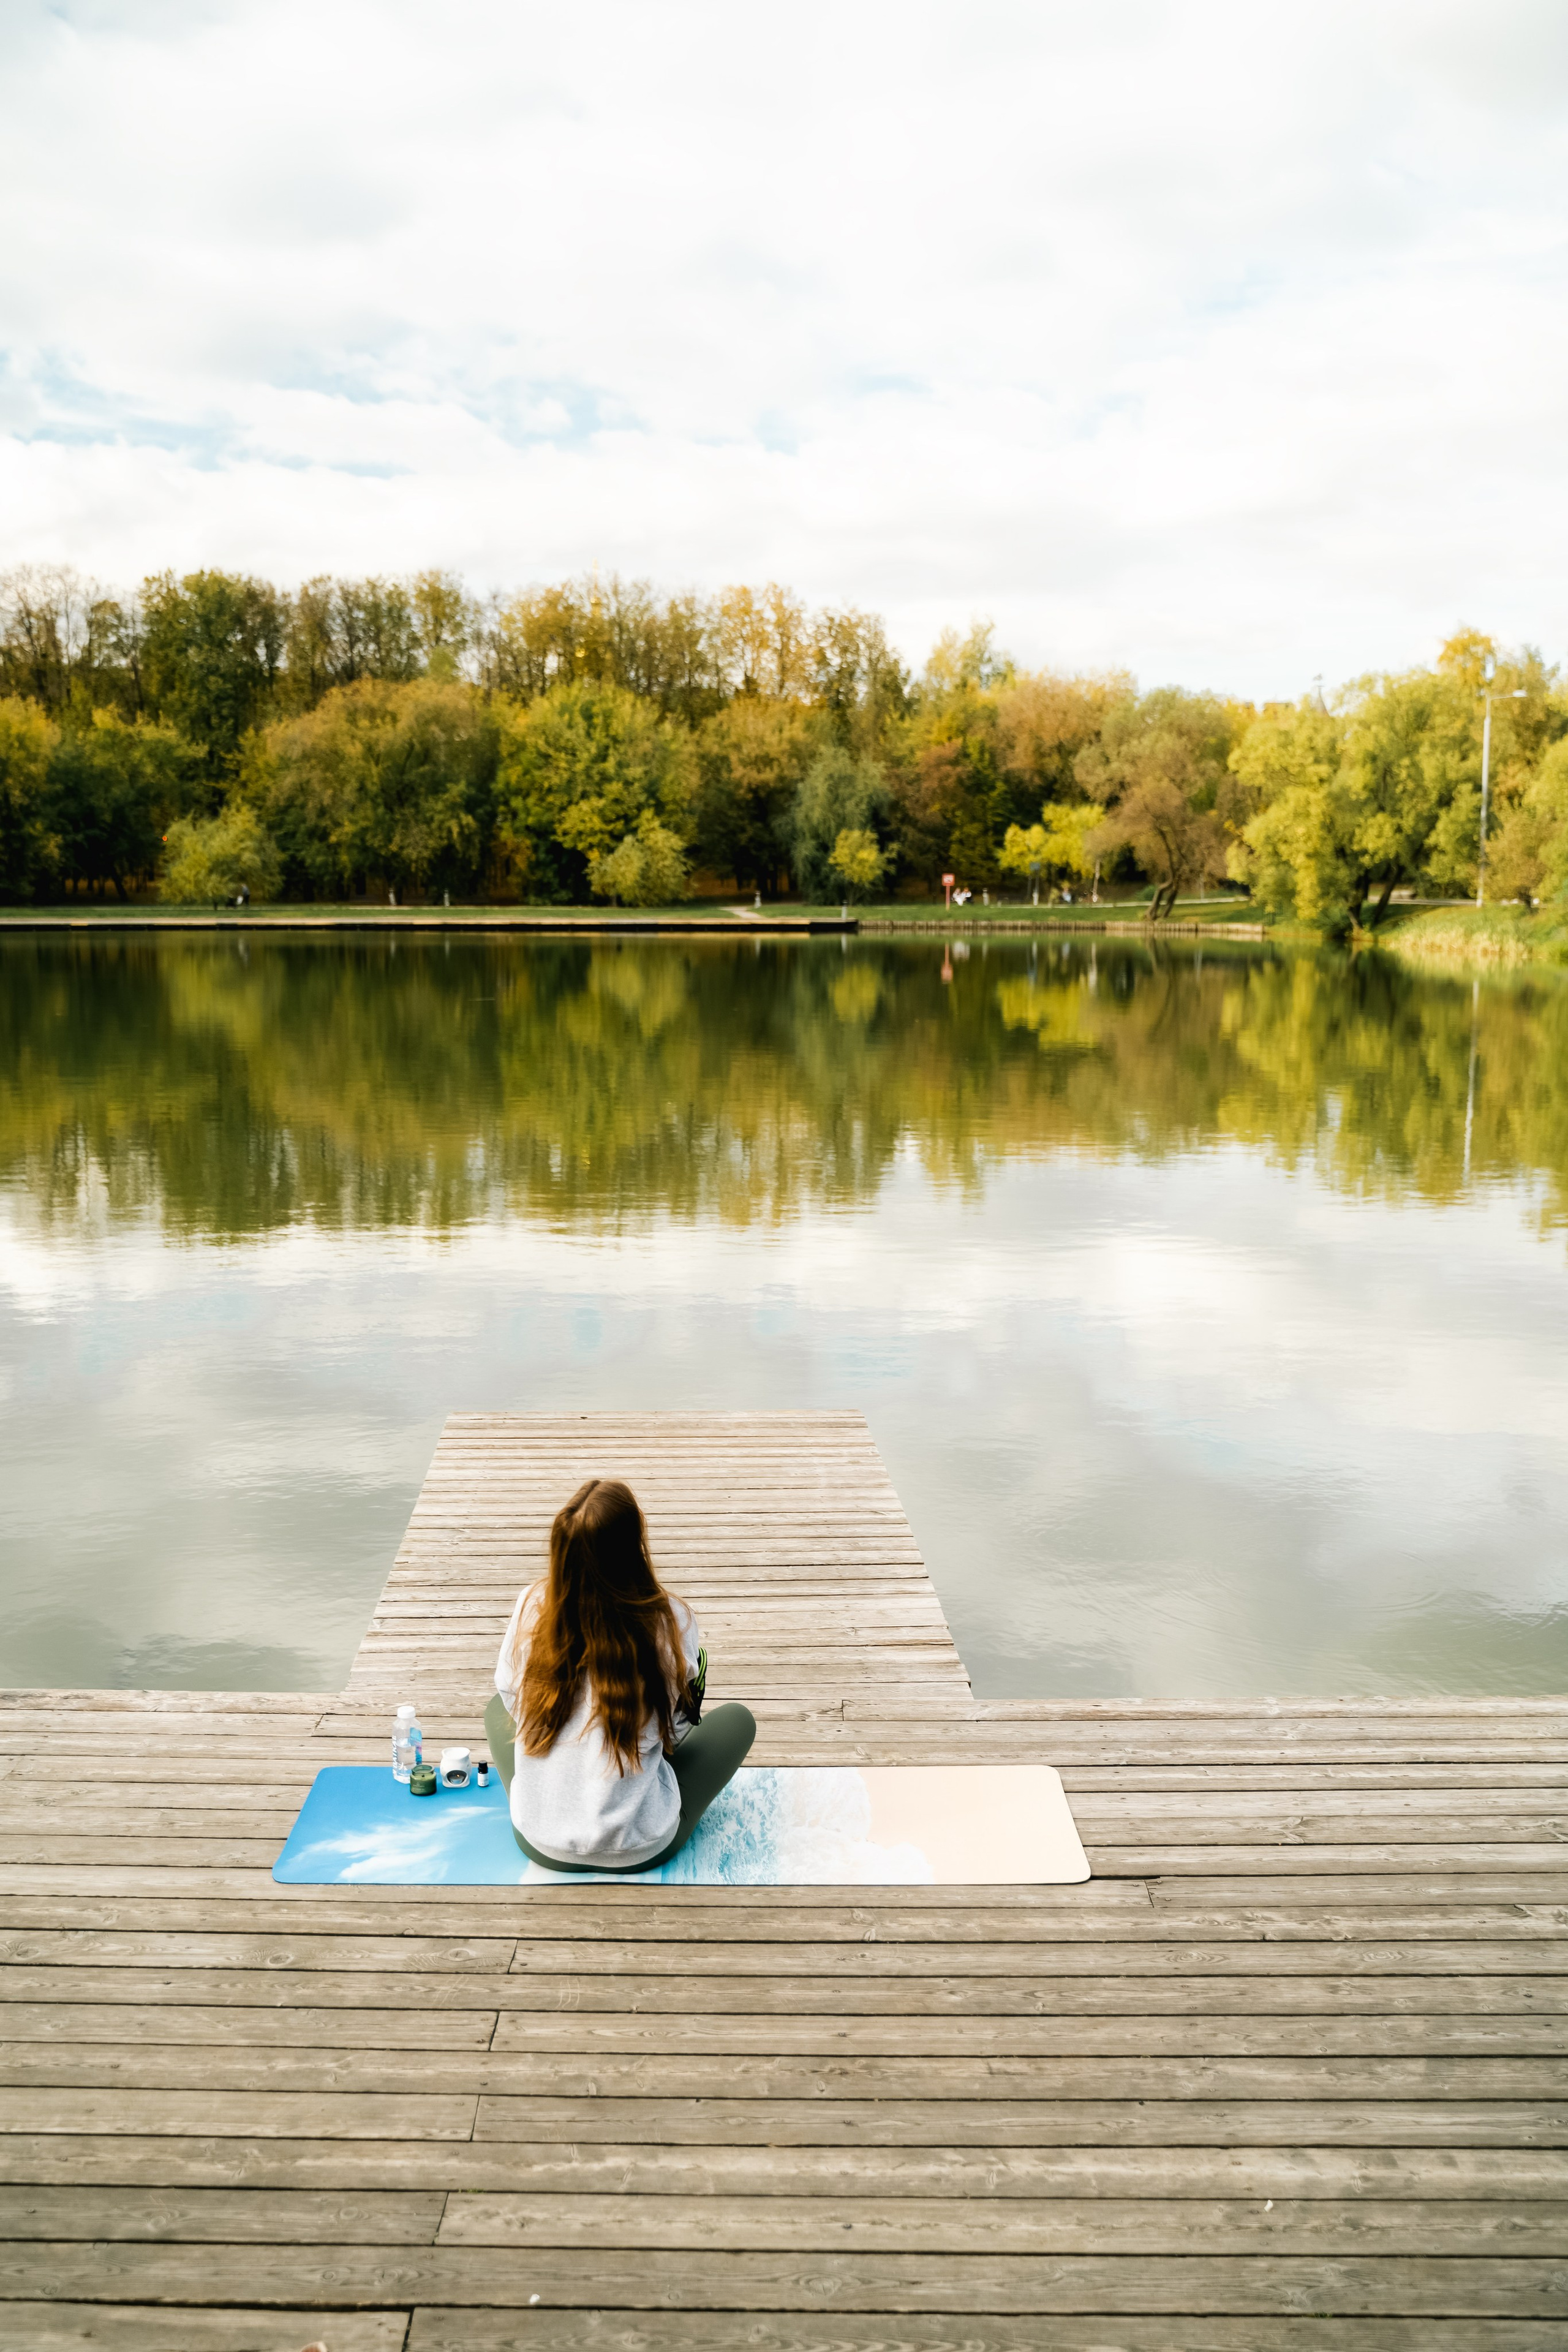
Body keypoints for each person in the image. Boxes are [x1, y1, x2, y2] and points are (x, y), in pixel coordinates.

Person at [484, 1477, 756, 1872]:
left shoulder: (530, 1605)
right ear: (633, 1544)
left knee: (497, 1708)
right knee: (737, 1721)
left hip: (540, 1842)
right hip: (639, 1847)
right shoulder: (671, 1621)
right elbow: (674, 1732)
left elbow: (512, 1698)